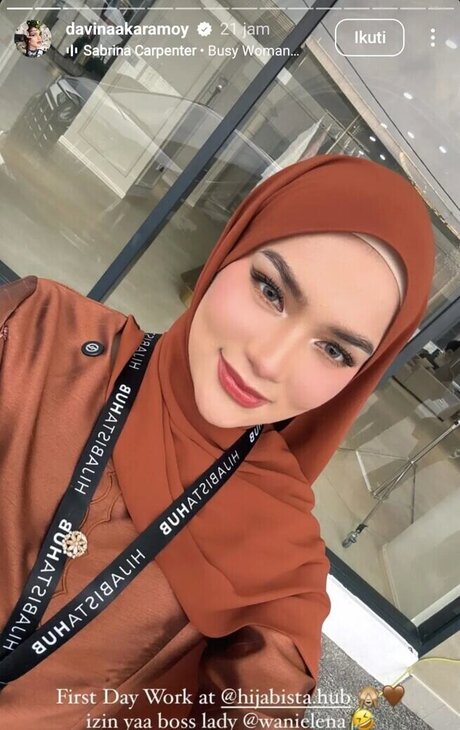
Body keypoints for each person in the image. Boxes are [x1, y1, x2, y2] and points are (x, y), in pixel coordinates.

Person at [0, 153, 435, 728]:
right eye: (270, 290)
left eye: (334, 351)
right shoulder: (36, 333)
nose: (269, 360)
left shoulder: (282, 560)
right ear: (230, 250)